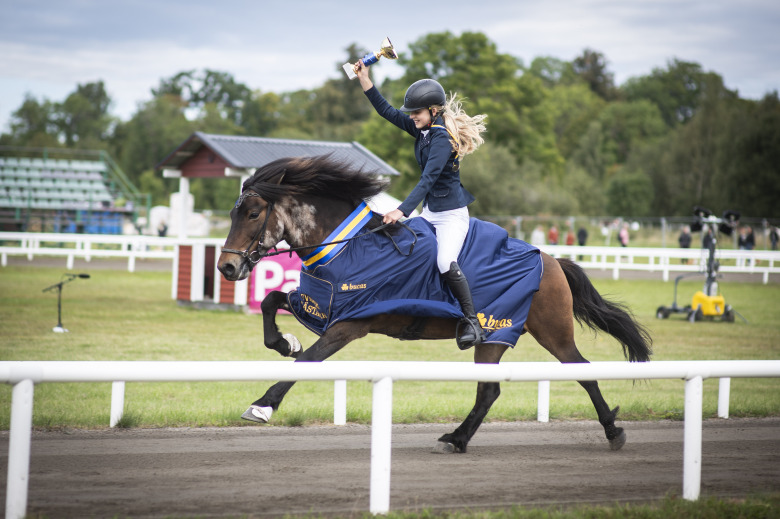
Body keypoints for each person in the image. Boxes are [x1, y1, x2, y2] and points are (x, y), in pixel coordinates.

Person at [356, 62, 487, 350]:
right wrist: (365, 79)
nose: (412, 116)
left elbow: (427, 180)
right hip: (430, 213)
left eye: (416, 112)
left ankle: (472, 322)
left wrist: (400, 210)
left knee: (443, 262)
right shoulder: (423, 130)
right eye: (412, 112)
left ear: (434, 111)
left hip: (451, 216)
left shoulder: (441, 138)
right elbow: (387, 112)